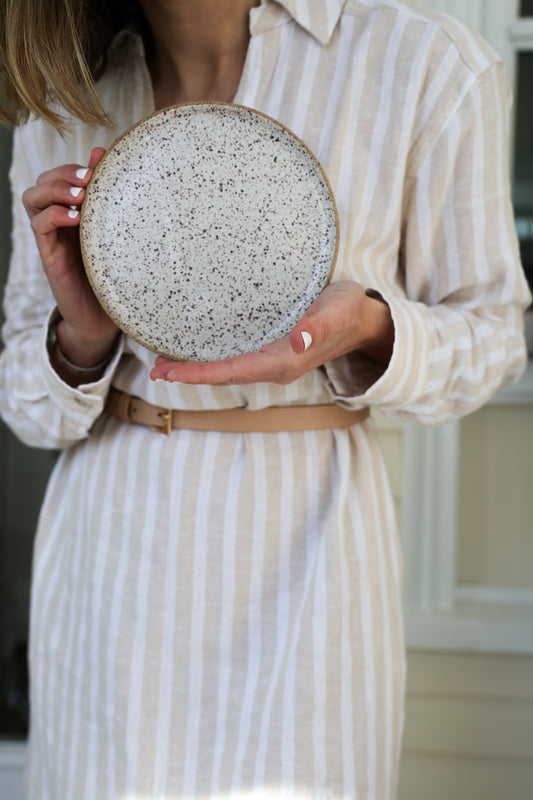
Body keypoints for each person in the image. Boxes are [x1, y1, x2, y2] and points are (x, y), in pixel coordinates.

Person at [0, 0, 530, 797]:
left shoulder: (423, 64)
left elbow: (492, 340)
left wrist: (369, 330)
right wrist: (80, 333)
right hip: (109, 553)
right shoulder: (66, 93)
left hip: (310, 555)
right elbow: (27, 406)